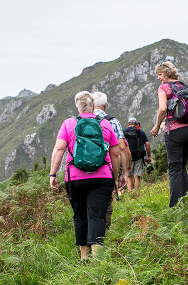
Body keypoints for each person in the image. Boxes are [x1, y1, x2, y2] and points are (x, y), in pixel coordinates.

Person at [50, 91, 120, 260]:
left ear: (77, 106)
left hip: (75, 178)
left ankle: (84, 258)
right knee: (97, 217)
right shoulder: (104, 124)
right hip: (102, 177)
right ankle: (97, 259)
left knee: (80, 216)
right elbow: (115, 153)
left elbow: (59, 149)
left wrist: (53, 174)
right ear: (93, 105)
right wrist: (115, 179)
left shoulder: (68, 123)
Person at [151, 61, 188, 207]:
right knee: (182, 166)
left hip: (174, 131)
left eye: (160, 74)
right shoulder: (186, 86)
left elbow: (163, 108)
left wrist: (157, 126)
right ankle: (187, 202)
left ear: (167, 74)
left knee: (174, 168)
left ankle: (175, 207)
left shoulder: (164, 87)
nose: (159, 78)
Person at [92, 91, 129, 230]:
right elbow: (122, 148)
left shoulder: (81, 120)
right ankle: (102, 237)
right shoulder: (112, 121)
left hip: (83, 171)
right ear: (106, 105)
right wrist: (123, 172)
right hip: (105, 170)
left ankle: (87, 242)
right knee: (105, 204)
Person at [124, 117, 152, 191]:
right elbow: (147, 145)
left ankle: (130, 193)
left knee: (129, 176)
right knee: (137, 176)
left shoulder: (124, 132)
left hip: (127, 157)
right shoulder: (140, 132)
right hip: (138, 157)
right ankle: (136, 193)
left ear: (128, 124)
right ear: (136, 124)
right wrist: (149, 156)